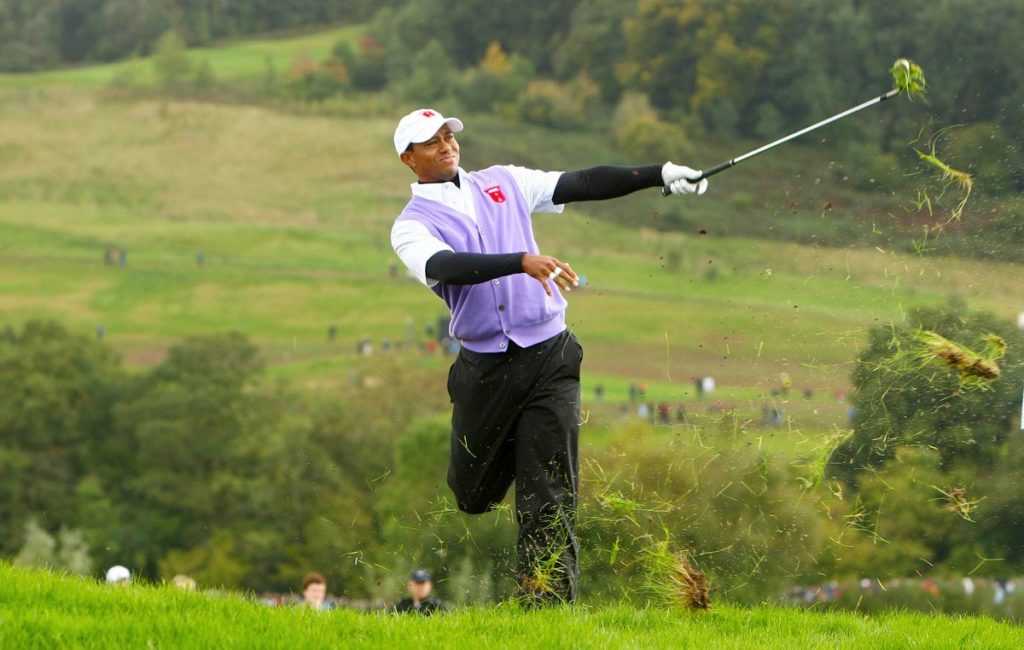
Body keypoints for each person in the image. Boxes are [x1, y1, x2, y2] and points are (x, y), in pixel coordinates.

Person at [390, 108, 708, 605]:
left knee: (550, 494)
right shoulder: (410, 226)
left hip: (549, 354)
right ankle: (525, 451)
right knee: (472, 497)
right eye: (431, 141)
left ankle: (546, 605)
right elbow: (446, 266)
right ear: (409, 158)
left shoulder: (505, 182)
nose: (446, 144)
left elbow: (580, 182)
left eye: (448, 134)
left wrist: (658, 175)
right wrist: (520, 261)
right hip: (485, 370)